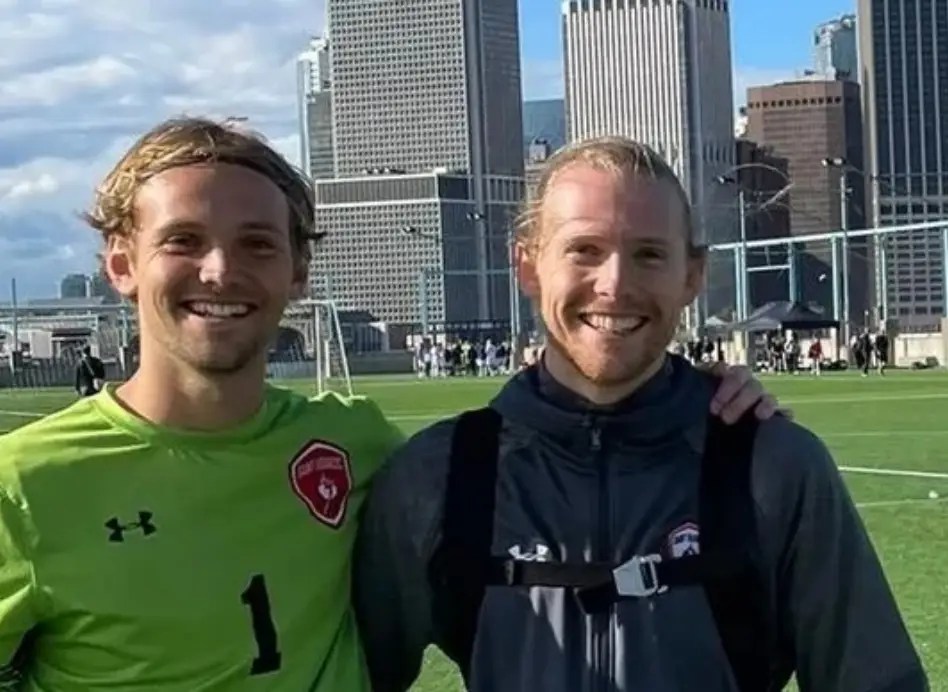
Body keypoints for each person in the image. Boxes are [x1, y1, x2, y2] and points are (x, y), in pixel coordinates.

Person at [0, 120, 776, 691]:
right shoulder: (25, 484)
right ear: (121, 264)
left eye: (258, 244)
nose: (220, 270)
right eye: (183, 241)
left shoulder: (359, 447)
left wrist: (684, 392)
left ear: (300, 271)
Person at [354, 137, 927, 692]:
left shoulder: (776, 467)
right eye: (584, 250)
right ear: (528, 267)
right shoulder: (437, 476)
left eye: (649, 254)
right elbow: (348, 675)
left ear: (692, 277)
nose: (615, 284)